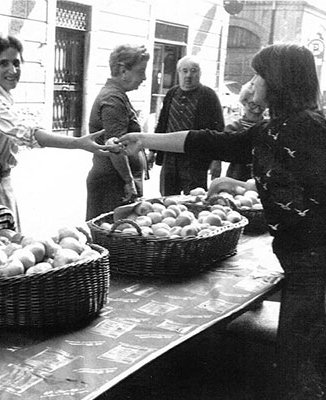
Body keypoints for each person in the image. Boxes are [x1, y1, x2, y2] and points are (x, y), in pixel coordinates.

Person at [119, 43, 326, 399]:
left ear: (278, 81)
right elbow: (208, 142)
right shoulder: (271, 130)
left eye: (258, 74)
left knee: (300, 365)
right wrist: (143, 139)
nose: (252, 82)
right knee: (295, 359)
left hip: (315, 267)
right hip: (298, 262)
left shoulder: (309, 127)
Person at [0, 33, 111, 228]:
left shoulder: (2, 98)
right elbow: (26, 133)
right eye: (3, 63)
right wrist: (78, 143)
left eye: (17, 63)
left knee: (6, 248)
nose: (13, 70)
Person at [85, 44, 150, 220]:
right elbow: (114, 146)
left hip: (115, 182)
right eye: (141, 70)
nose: (144, 77)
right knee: (114, 237)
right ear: (123, 70)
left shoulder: (117, 95)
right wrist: (129, 182)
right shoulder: (113, 99)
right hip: (113, 185)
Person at [148, 55, 224, 196]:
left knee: (195, 197)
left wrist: (217, 159)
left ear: (200, 73)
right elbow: (162, 123)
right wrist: (152, 151)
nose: (188, 75)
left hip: (195, 160)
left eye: (193, 71)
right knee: (167, 198)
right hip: (170, 158)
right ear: (179, 73)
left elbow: (218, 129)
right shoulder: (172, 93)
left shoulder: (208, 95)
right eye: (184, 71)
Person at [224, 80, 266, 181]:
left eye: (261, 106)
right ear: (244, 102)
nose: (257, 110)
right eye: (252, 104)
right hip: (237, 177)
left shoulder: (268, 127)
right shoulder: (232, 128)